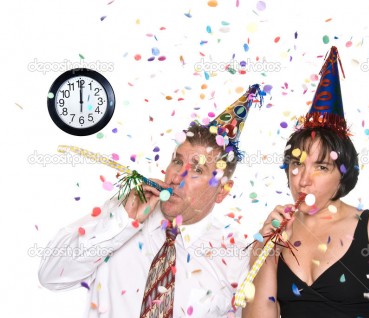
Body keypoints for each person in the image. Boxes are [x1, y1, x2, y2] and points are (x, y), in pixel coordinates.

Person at [38, 84, 263, 318]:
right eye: (177, 161)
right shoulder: (123, 211)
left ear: (223, 190)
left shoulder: (238, 257)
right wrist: (122, 222)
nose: (177, 177)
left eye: (197, 169)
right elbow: (50, 276)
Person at [242, 47, 369, 318]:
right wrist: (265, 252)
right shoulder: (278, 234)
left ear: (342, 173)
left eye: (321, 166)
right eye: (297, 164)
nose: (304, 180)